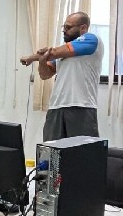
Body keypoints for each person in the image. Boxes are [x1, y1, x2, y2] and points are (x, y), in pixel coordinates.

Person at [20, 11, 103, 141]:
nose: (64, 30)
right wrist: (42, 60)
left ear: (83, 28)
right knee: (51, 151)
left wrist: (31, 58)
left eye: (68, 27)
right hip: (56, 107)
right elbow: (45, 74)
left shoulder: (91, 39)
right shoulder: (62, 53)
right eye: (63, 27)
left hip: (80, 106)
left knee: (81, 151)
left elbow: (53, 52)